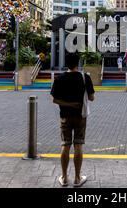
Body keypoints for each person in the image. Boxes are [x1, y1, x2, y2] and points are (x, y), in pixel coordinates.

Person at [51, 53, 95, 188]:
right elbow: (92, 97)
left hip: (65, 116)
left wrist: (68, 104)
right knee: (78, 145)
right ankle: (77, 178)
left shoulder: (60, 78)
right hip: (80, 116)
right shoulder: (85, 77)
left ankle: (64, 177)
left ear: (66, 63)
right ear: (78, 63)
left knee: (65, 145)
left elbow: (55, 99)